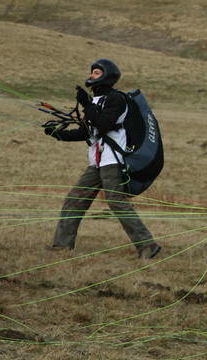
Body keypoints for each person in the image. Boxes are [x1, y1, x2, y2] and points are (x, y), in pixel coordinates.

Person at [43, 59, 161, 259]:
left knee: (116, 201)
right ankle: (62, 246)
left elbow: (103, 124)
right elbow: (87, 132)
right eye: (92, 72)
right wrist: (58, 134)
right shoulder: (96, 101)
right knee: (75, 199)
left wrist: (87, 104)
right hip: (97, 162)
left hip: (113, 161)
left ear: (107, 76)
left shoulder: (116, 99)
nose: (92, 75)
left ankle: (147, 245)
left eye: (96, 72)